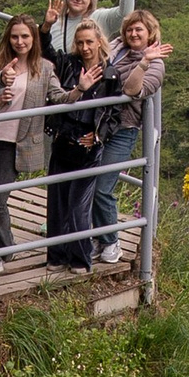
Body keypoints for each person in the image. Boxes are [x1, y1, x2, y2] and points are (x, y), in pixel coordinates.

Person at [0, 16, 62, 268]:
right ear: (8, 38)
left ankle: (6, 245)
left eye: (25, 36)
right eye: (15, 36)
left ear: (34, 39)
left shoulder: (43, 68)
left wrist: (80, 90)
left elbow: (58, 95)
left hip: (15, 144)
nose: (20, 41)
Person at [91, 9, 170, 263]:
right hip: (97, 124)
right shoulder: (116, 48)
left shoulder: (156, 64)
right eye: (130, 29)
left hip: (123, 129)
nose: (133, 34)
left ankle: (112, 242)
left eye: (139, 30)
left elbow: (132, 89)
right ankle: (98, 236)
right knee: (88, 182)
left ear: (150, 34)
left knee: (103, 187)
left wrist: (144, 62)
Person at [45, 22, 119, 273]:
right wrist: (45, 26)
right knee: (57, 203)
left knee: (78, 206)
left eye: (89, 42)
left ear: (99, 41)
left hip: (88, 148)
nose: (85, 47)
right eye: (80, 43)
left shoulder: (111, 74)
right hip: (63, 140)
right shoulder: (68, 64)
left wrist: (99, 136)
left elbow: (114, 112)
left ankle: (80, 258)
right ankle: (56, 255)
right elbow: (45, 52)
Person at [41, 0, 140, 77]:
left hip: (93, 83)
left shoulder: (100, 18)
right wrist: (46, 26)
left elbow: (126, 14)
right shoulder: (55, 22)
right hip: (60, 84)